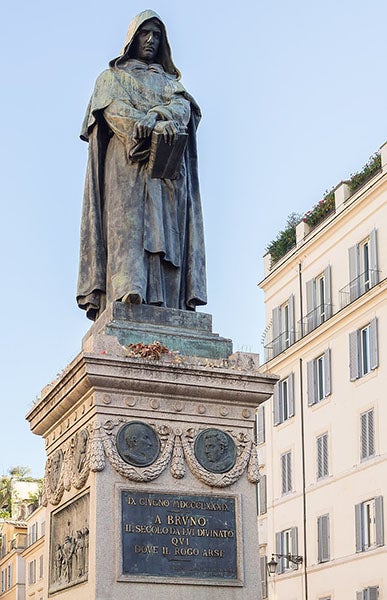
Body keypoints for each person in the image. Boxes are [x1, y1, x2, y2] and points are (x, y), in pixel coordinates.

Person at [77, 10, 207, 320]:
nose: (151, 39)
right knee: (128, 230)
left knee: (167, 236)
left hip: (166, 172)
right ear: (132, 39)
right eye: (145, 33)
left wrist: (158, 118)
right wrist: (144, 125)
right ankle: (127, 291)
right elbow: (114, 111)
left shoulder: (169, 82)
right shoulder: (111, 78)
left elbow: (182, 109)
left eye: (157, 35)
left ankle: (170, 303)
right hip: (127, 166)